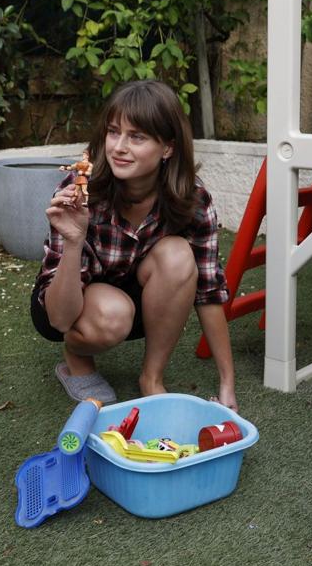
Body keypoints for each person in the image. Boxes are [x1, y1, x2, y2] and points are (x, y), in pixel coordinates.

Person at [31, 80, 237, 410]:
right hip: (69, 299)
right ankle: (76, 358)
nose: (119, 147)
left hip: (141, 301)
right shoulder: (81, 189)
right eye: (114, 132)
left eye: (137, 136)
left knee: (179, 256)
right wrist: (74, 241)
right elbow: (57, 319)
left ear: (167, 147)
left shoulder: (192, 199)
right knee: (112, 314)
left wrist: (227, 383)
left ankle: (151, 379)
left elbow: (209, 292)